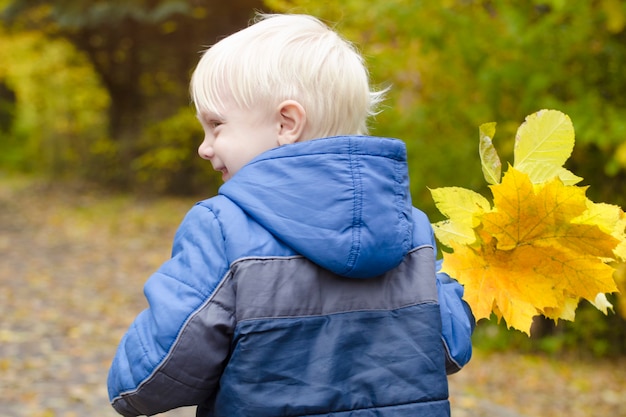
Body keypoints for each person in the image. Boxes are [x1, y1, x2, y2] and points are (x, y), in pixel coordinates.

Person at [107, 13, 474, 417]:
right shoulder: (409, 228)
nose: (205, 147)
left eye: (216, 125)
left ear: (287, 122)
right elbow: (447, 348)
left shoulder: (224, 229)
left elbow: (155, 374)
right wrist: (465, 279)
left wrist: (126, 374)